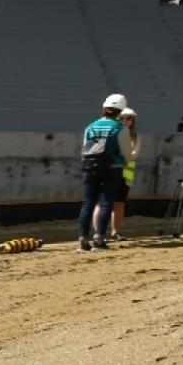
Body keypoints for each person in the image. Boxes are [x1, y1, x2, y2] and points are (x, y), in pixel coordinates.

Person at [78, 92, 127, 252]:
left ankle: (83, 239)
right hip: (112, 168)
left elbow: (85, 147)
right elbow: (126, 151)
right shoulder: (120, 128)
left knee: (87, 203)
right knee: (106, 202)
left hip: (89, 167)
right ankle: (99, 239)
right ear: (121, 111)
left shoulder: (90, 126)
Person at [94, 107, 138, 242]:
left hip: (125, 176)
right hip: (110, 172)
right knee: (101, 204)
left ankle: (115, 232)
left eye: (129, 118)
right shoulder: (113, 132)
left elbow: (134, 155)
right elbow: (130, 154)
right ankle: (98, 233)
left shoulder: (134, 136)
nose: (125, 120)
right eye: (122, 117)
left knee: (119, 204)